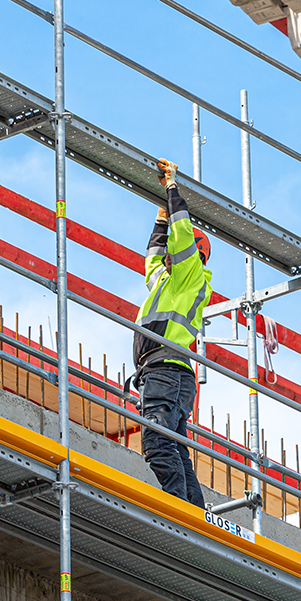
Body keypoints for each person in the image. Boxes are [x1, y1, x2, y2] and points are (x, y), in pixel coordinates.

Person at [132, 158, 212, 509]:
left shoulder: (190, 274)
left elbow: (182, 236)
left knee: (157, 442)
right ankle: (194, 510)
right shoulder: (168, 282)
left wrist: (172, 190)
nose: (168, 254)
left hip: (165, 372)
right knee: (175, 446)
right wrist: (160, 219)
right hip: (167, 373)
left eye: (174, 251)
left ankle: (178, 506)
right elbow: (152, 260)